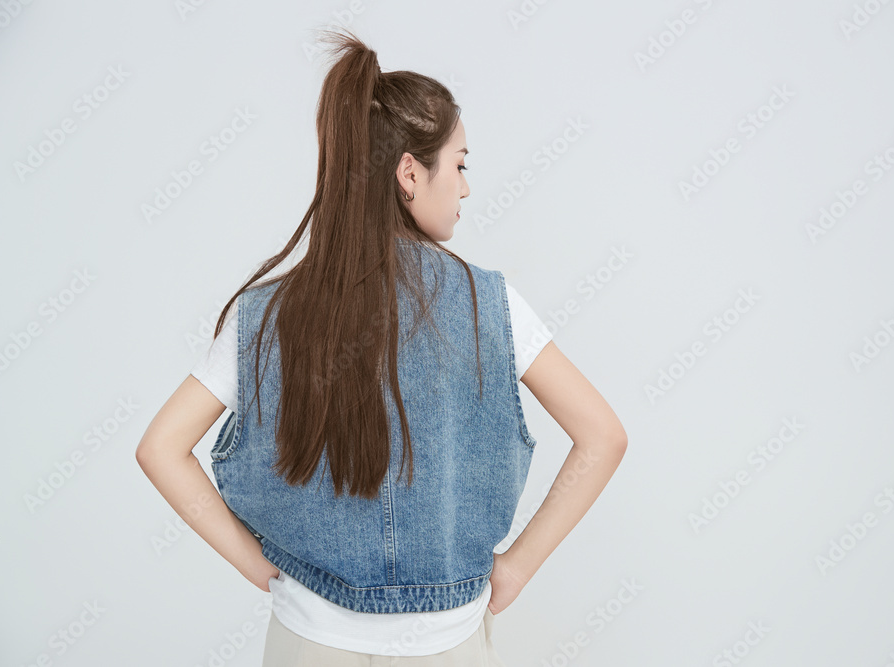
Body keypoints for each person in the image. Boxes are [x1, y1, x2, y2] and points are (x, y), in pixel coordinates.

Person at [135, 27, 627, 666]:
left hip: (309, 642)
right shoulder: (491, 303)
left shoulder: (269, 311)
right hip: (446, 646)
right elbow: (603, 436)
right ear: (409, 173)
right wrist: (518, 568)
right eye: (460, 164)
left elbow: (160, 449)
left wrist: (257, 567)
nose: (466, 187)